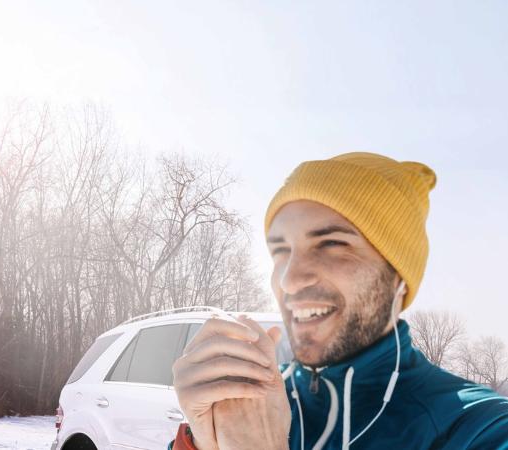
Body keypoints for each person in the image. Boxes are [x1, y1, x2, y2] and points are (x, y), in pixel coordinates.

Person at [170, 152, 508, 449]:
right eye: (281, 251)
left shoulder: (479, 428)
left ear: (398, 278)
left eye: (331, 244)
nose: (289, 279)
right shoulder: (247, 400)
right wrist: (197, 445)